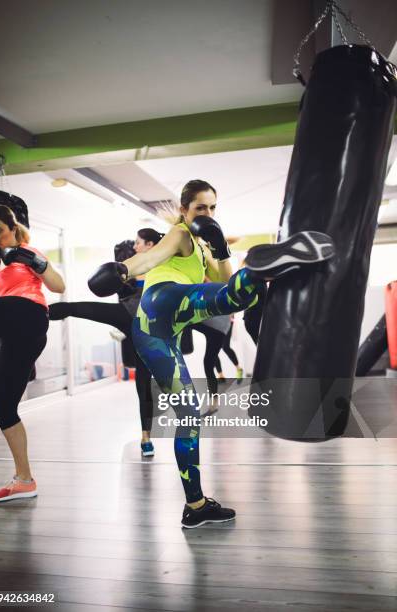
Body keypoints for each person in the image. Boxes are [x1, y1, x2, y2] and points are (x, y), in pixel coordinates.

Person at [88, 179, 335, 528]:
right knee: (238, 295)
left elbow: (224, 280)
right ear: (184, 210)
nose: (207, 213)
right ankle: (265, 268)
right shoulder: (179, 234)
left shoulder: (204, 246)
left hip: (155, 335)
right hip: (162, 302)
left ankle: (196, 506)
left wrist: (219, 245)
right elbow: (153, 256)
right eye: (200, 208)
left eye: (212, 208)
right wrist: (125, 269)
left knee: (189, 417)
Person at [48, 228, 163, 457]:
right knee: (76, 308)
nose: (135, 247)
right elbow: (118, 291)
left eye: (139, 243)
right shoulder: (130, 264)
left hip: (149, 326)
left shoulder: (162, 266)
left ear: (150, 245)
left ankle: (146, 437)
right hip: (128, 317)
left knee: (144, 385)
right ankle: (35, 313)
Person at [0, 201, 65, 502]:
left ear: (12, 230)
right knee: (3, 406)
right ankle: (24, 480)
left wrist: (38, 264)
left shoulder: (27, 255)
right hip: (16, 334)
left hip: (30, 316)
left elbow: (59, 285)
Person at [214, 315, 243, 382]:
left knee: (225, 347)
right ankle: (221, 376)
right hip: (213, 323)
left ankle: (239, 369)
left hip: (226, 320)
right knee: (213, 351)